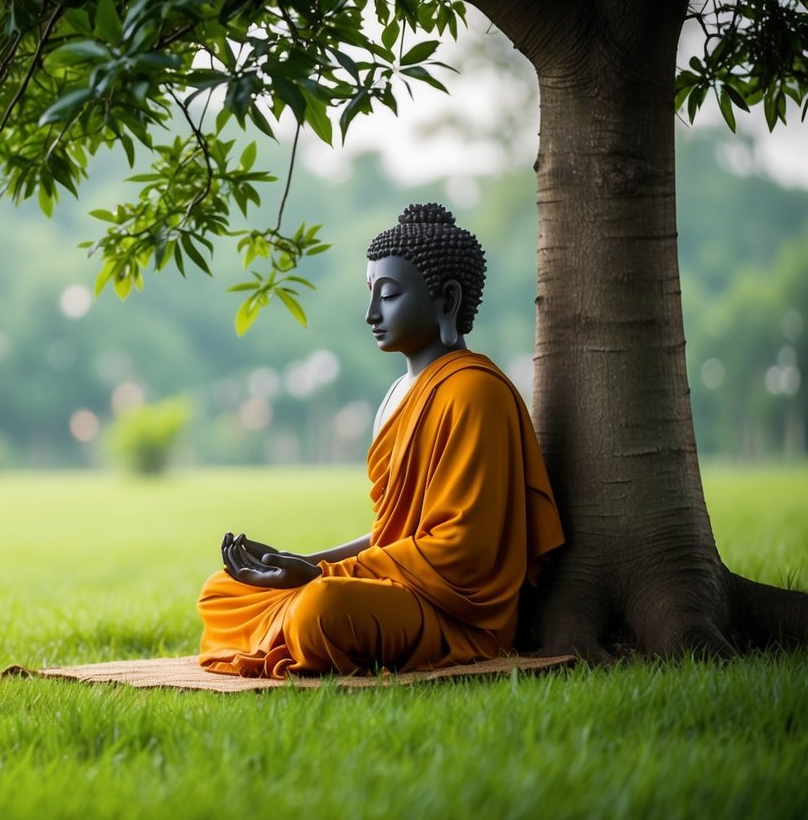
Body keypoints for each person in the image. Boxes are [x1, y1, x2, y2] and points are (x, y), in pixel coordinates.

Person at [197, 203, 566, 677]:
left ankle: (300, 622)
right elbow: (391, 534)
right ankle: (292, 613)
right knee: (221, 592)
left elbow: (464, 551)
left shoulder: (476, 391)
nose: (371, 313)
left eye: (388, 295)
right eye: (370, 293)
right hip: (393, 586)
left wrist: (322, 577)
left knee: (321, 608)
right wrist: (299, 563)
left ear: (447, 301)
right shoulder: (396, 393)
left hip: (454, 613)